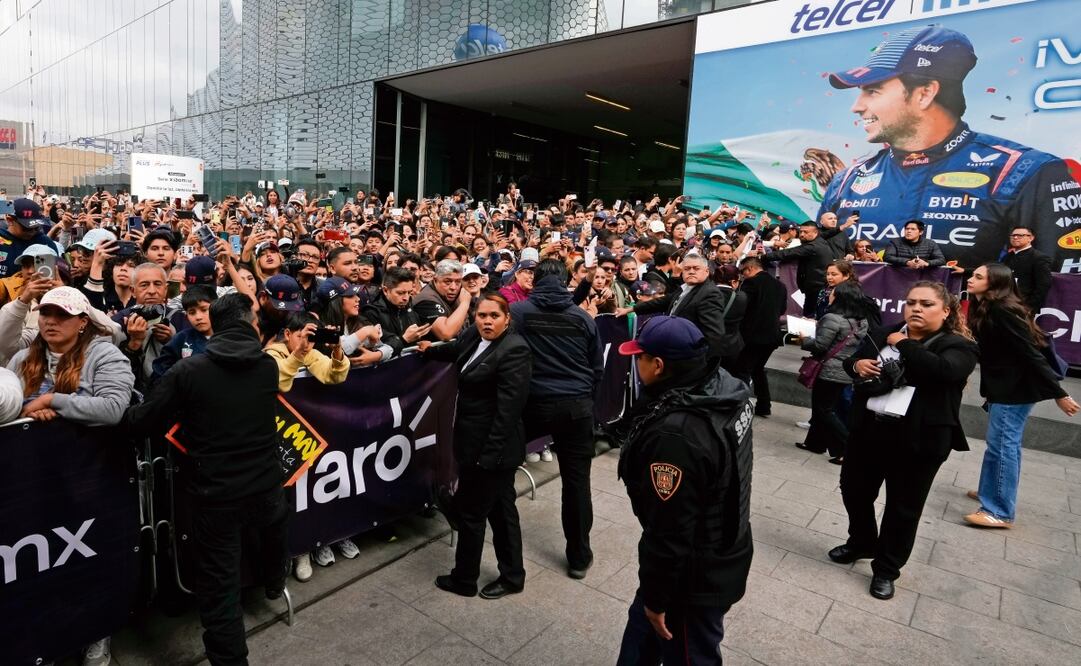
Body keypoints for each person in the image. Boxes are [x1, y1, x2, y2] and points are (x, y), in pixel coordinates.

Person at [820, 26, 1081, 274]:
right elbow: (819, 264)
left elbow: (1059, 290)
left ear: (925, 93)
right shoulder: (847, 181)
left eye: (873, 91)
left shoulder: (1027, 172)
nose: (857, 106)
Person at [123, 293, 289, 666]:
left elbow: (141, 420)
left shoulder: (190, 372)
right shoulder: (266, 365)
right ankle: (275, 581)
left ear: (214, 325)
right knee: (273, 530)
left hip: (217, 497)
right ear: (251, 324)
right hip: (265, 487)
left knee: (220, 590)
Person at [614, 316, 753, 666]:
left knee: (689, 654)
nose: (635, 363)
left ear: (658, 365)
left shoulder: (676, 436)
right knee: (639, 642)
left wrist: (658, 598)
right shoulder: (720, 386)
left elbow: (671, 530)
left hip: (692, 577)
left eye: (639, 357)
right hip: (710, 553)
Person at [831, 282, 978, 600]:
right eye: (911, 302)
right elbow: (850, 362)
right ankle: (862, 542)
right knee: (854, 491)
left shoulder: (958, 346)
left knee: (903, 509)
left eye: (926, 304)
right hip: (869, 431)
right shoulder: (885, 331)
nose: (916, 309)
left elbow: (943, 371)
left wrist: (903, 343)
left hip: (919, 441)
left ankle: (886, 569)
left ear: (946, 310)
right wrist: (857, 365)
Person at [419, 294, 531, 599]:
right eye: (482, 315)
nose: (487, 321)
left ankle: (464, 579)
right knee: (502, 511)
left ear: (507, 318)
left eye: (494, 316)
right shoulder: (474, 336)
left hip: (491, 451)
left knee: (471, 514)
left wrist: (489, 456)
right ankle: (512, 576)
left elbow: (509, 410)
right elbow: (457, 349)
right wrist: (430, 350)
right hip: (473, 444)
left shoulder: (515, 349)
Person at [962, 263, 1079, 528]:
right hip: (1003, 386)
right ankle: (990, 492)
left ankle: (999, 511)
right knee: (999, 445)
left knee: (1004, 445)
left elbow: (1031, 353)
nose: (971, 279)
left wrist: (1059, 394)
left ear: (995, 284)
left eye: (978, 277)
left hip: (1016, 389)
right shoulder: (986, 307)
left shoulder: (1003, 311)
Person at [510, 259, 603, 579]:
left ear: (535, 280)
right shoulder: (582, 318)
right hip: (576, 408)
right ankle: (579, 556)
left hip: (532, 406)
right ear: (566, 282)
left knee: (498, 467)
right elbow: (597, 369)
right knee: (577, 484)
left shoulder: (519, 313)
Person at [7, 286, 134, 424]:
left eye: (62, 314)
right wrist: (27, 413)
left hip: (87, 443)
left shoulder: (105, 355)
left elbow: (113, 409)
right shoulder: (22, 358)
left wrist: (50, 400)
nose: (50, 321)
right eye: (45, 313)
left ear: (83, 322)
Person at [796, 281, 869, 464]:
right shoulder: (861, 321)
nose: (829, 295)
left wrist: (804, 339)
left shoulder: (833, 318)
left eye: (833, 293)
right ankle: (815, 443)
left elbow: (820, 346)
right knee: (825, 408)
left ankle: (847, 448)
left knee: (823, 409)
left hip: (829, 369)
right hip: (845, 370)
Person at [619, 253, 727, 363]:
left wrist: (704, 364)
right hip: (677, 352)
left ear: (707, 271)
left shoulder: (709, 293)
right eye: (687, 268)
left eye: (696, 268)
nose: (691, 271)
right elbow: (663, 301)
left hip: (692, 358)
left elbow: (714, 335)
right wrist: (631, 309)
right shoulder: (685, 287)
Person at [735, 256, 787, 416]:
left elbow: (741, 305)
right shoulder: (780, 285)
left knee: (742, 370)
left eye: (743, 272)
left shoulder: (751, 283)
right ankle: (764, 405)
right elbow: (782, 310)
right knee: (757, 369)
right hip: (772, 336)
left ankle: (738, 406)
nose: (742, 276)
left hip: (752, 336)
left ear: (749, 269)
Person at [756, 221, 833, 317]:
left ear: (815, 233)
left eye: (806, 232)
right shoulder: (818, 241)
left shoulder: (813, 246)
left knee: (810, 316)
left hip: (816, 286)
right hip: (816, 285)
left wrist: (762, 257)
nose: (802, 234)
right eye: (801, 232)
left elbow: (789, 253)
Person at [0, 198, 62, 278]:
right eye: (27, 228)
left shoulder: (45, 243)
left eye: (36, 227)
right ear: (10, 220)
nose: (32, 232)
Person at [1001, 226, 1052, 315]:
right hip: (1003, 303)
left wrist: (1029, 307)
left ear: (1031, 238)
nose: (1015, 237)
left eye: (1020, 235)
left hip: (1023, 306)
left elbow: (1043, 285)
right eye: (1013, 235)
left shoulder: (1039, 258)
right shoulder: (1007, 257)